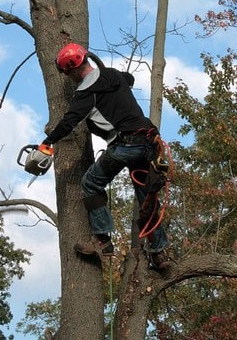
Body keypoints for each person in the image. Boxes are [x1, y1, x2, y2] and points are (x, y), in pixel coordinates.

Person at [42, 42, 170, 269]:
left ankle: (102, 240)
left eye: (67, 73)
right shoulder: (112, 75)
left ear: (71, 70)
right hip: (150, 144)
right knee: (145, 198)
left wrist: (47, 143)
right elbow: (128, 79)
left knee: (90, 183)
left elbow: (69, 122)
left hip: (126, 145)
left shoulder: (85, 94)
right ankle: (159, 253)